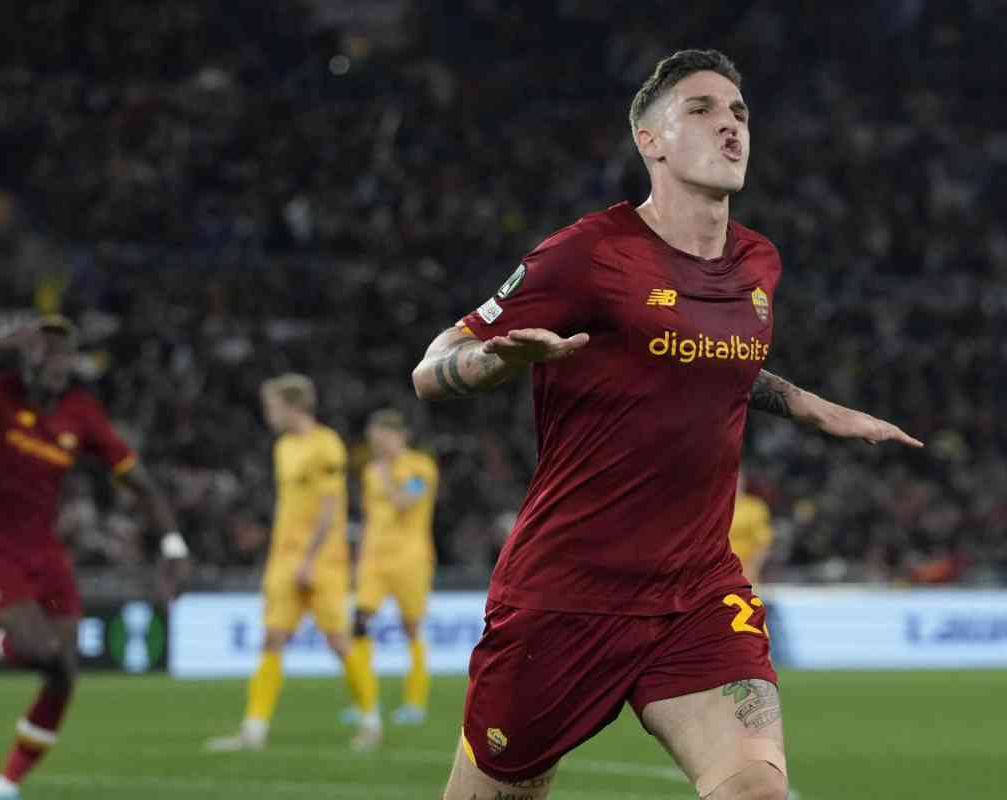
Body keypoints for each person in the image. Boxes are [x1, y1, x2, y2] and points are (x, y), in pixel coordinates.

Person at [411, 49, 923, 800]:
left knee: (758, 791)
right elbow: (431, 368)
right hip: (566, 595)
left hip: (698, 589)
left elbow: (702, 359)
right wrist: (493, 361)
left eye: (739, 112)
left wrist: (811, 406)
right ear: (649, 141)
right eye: (701, 110)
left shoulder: (758, 262)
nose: (730, 126)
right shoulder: (589, 252)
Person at [0, 316, 189, 800]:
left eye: (64, 352)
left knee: (63, 670)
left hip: (45, 554)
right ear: (27, 357)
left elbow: (138, 481)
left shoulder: (80, 414)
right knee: (39, 652)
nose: (57, 360)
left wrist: (173, 544)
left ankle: (5, 786)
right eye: (47, 349)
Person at [206, 374, 381, 752]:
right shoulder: (283, 447)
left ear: (293, 407)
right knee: (272, 638)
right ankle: (253, 730)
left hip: (322, 561)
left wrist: (309, 559)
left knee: (338, 641)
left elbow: (330, 508)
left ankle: (370, 721)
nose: (268, 414)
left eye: (272, 406)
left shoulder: (327, 444)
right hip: (284, 560)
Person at [350, 408, 439, 725]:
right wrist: (358, 557)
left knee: (411, 627)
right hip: (374, 559)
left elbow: (404, 503)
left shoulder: (420, 467)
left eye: (382, 439)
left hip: (410, 559)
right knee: (359, 623)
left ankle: (415, 702)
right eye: (374, 440)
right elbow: (369, 517)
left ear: (400, 436)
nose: (378, 446)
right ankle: (365, 700)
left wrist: (386, 472)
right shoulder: (370, 472)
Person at [729, 469, 774, 585]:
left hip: (745, 573)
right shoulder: (715, 507)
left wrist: (752, 568)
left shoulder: (755, 508)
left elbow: (763, 545)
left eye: (738, 479)